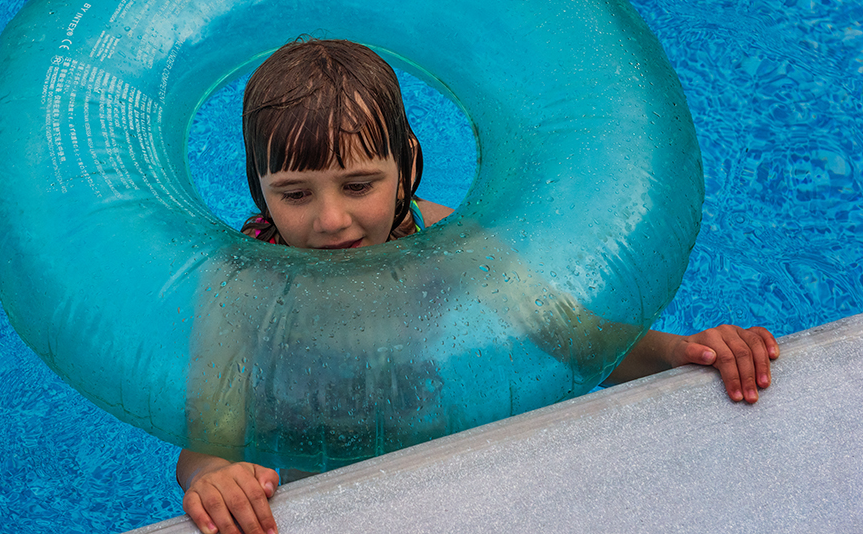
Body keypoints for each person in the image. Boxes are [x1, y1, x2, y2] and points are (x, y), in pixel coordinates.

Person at [177, 38, 779, 534]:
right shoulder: (244, 281)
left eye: (359, 185)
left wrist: (682, 352)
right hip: (313, 472)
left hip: (433, 444)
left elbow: (574, 339)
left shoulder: (451, 247)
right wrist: (215, 476)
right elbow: (207, 435)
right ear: (259, 191)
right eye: (295, 194)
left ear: (409, 167)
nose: (331, 220)